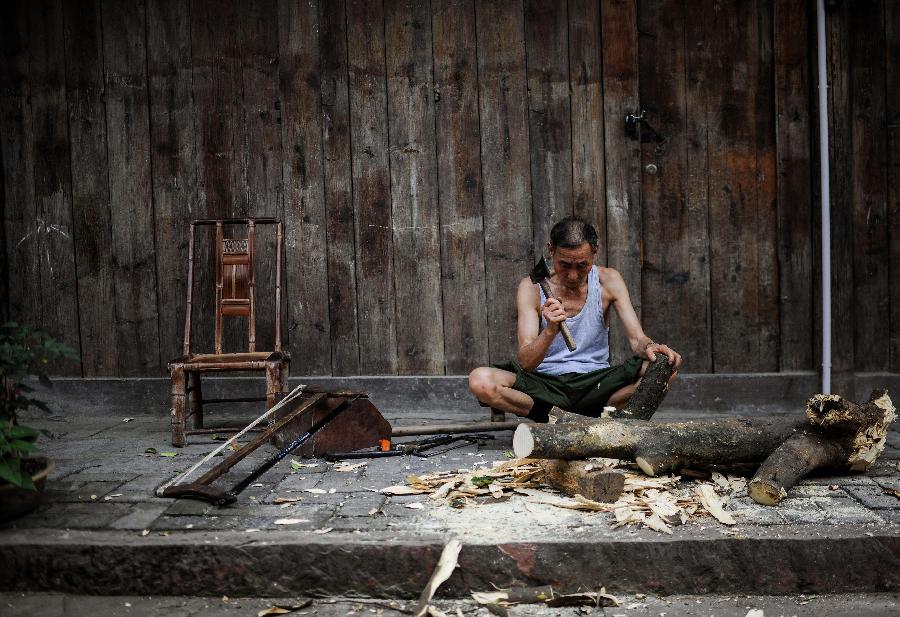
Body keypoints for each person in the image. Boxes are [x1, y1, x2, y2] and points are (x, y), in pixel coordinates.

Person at [469, 216, 682, 422]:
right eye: (564, 265)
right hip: (545, 386)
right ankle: (558, 418)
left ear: (594, 253)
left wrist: (651, 346)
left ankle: (607, 413)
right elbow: (526, 363)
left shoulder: (609, 280)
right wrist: (550, 330)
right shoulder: (532, 287)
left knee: (665, 366)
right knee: (480, 381)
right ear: (551, 250)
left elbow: (637, 340)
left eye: (582, 265)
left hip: (596, 385)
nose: (573, 275)